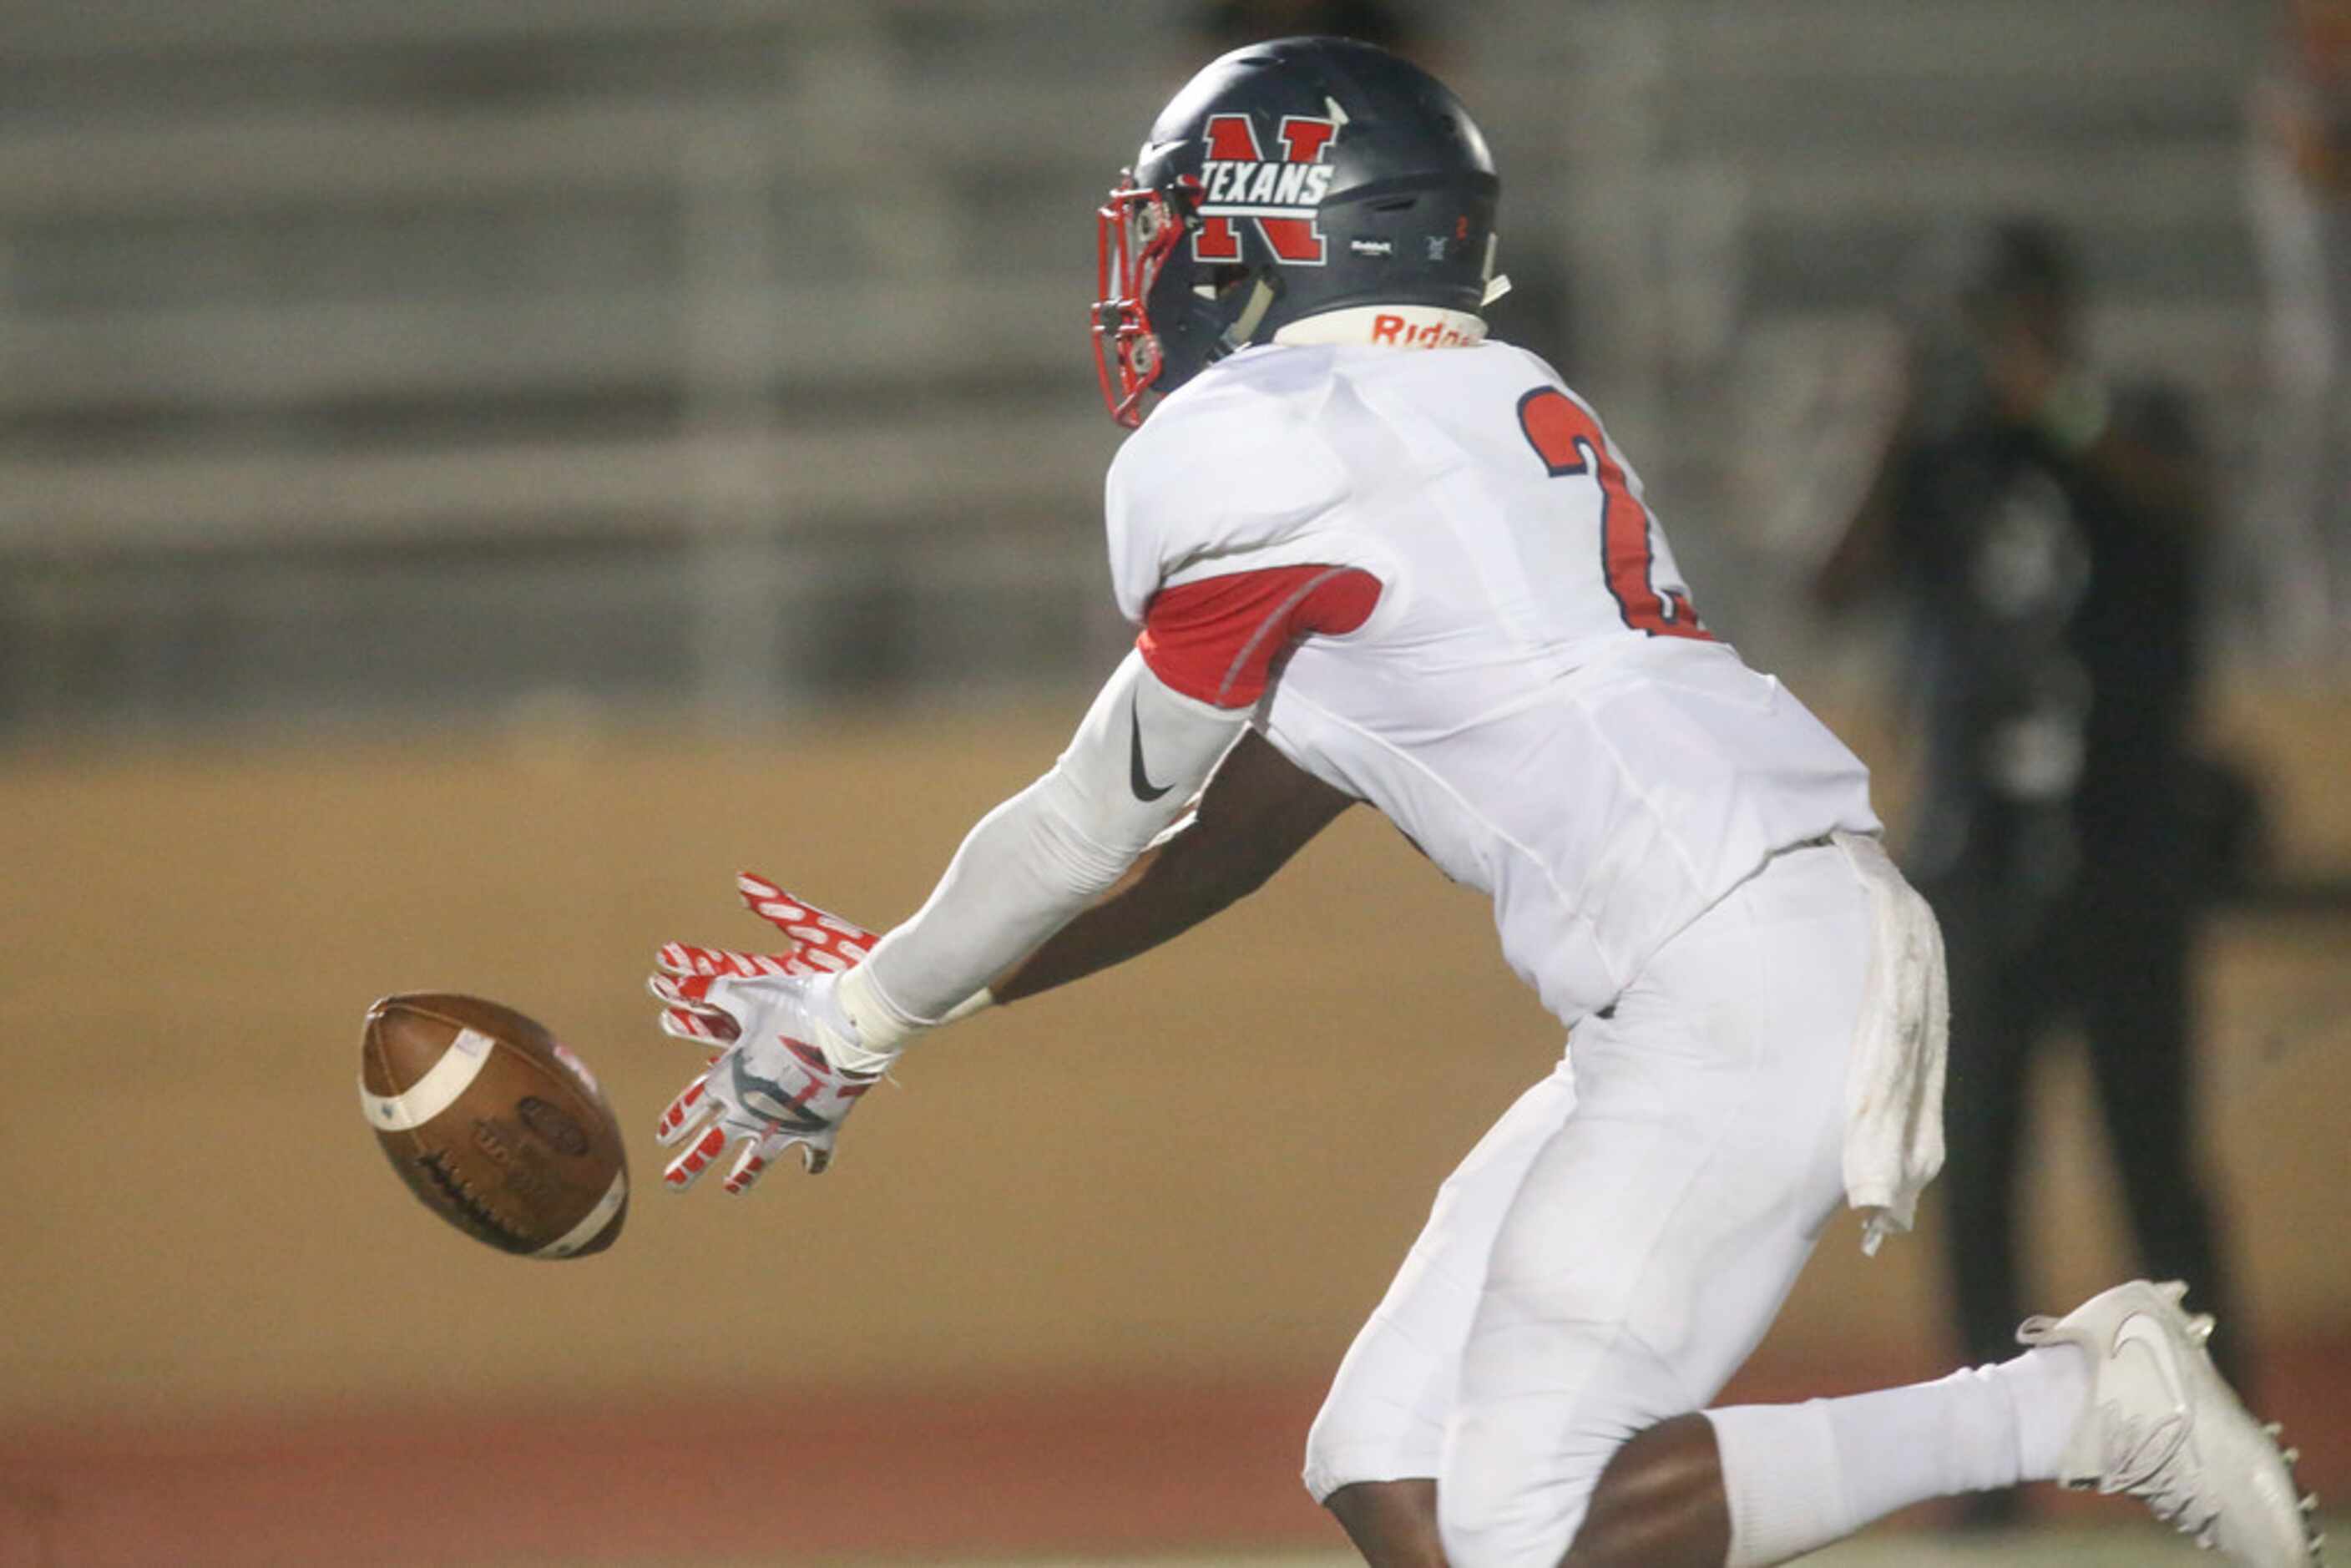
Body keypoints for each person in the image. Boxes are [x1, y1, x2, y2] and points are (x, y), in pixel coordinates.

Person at [647, 40, 2318, 1568]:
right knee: (1395, 1468)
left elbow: (1095, 815)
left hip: (1736, 969)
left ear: (1279, 229)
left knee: (1533, 1524)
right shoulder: (1475, 413)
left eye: (1182, 229)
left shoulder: (1270, 440)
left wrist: (860, 1014)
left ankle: (2070, 1409)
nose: (1159, 270)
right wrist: (909, 1001)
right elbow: (1221, 835)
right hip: (1735, 951)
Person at [1814, 218, 2253, 1528]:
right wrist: (1892, 426)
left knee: (2157, 1166)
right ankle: (1987, 1479)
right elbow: (1835, 584)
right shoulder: (1941, 456)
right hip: (1976, 864)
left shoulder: (2135, 421)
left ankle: (2215, 1458)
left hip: (2125, 850)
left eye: (2011, 312)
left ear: (2062, 314)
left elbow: (2185, 511)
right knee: (1980, 1174)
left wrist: (2052, 405)